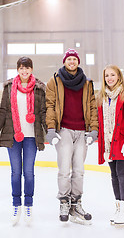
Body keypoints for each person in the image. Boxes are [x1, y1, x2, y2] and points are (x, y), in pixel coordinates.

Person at [46, 48, 98, 225]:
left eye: (74, 59)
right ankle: (63, 201)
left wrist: (94, 130)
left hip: (82, 131)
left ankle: (76, 203)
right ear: (64, 62)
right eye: (69, 59)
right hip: (64, 131)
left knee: (79, 170)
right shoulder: (54, 81)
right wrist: (51, 129)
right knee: (64, 169)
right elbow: (50, 105)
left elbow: (92, 107)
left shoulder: (87, 83)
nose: (72, 62)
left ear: (78, 62)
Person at [0, 57, 47, 225]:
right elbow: (3, 111)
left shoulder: (39, 89)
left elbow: (43, 112)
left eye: (27, 68)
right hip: (13, 135)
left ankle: (29, 205)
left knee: (29, 172)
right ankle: (16, 204)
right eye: (21, 68)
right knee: (15, 172)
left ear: (31, 69)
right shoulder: (9, 87)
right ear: (17, 70)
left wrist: (51, 131)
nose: (24, 71)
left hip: (31, 136)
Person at [96, 64, 124, 225]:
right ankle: (118, 206)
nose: (109, 78)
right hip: (109, 143)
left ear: (119, 76)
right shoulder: (101, 97)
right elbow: (101, 122)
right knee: (114, 175)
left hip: (123, 142)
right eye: (107, 75)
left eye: (112, 75)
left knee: (122, 173)